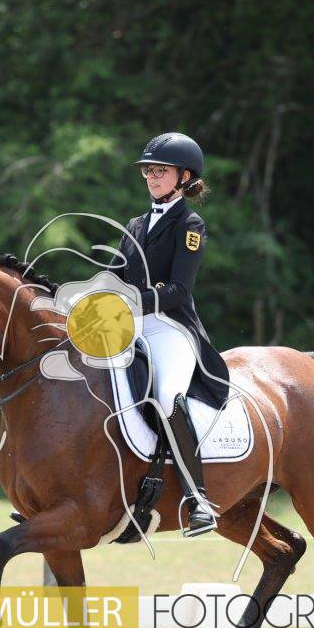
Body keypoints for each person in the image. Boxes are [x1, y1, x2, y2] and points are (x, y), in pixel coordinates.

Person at [112, 132, 231, 537]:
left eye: (160, 170)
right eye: (148, 170)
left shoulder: (189, 224)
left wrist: (130, 301)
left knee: (166, 397)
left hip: (170, 328)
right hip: (127, 326)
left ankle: (198, 500)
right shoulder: (135, 225)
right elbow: (113, 275)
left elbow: (179, 290)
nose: (152, 176)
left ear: (185, 177)